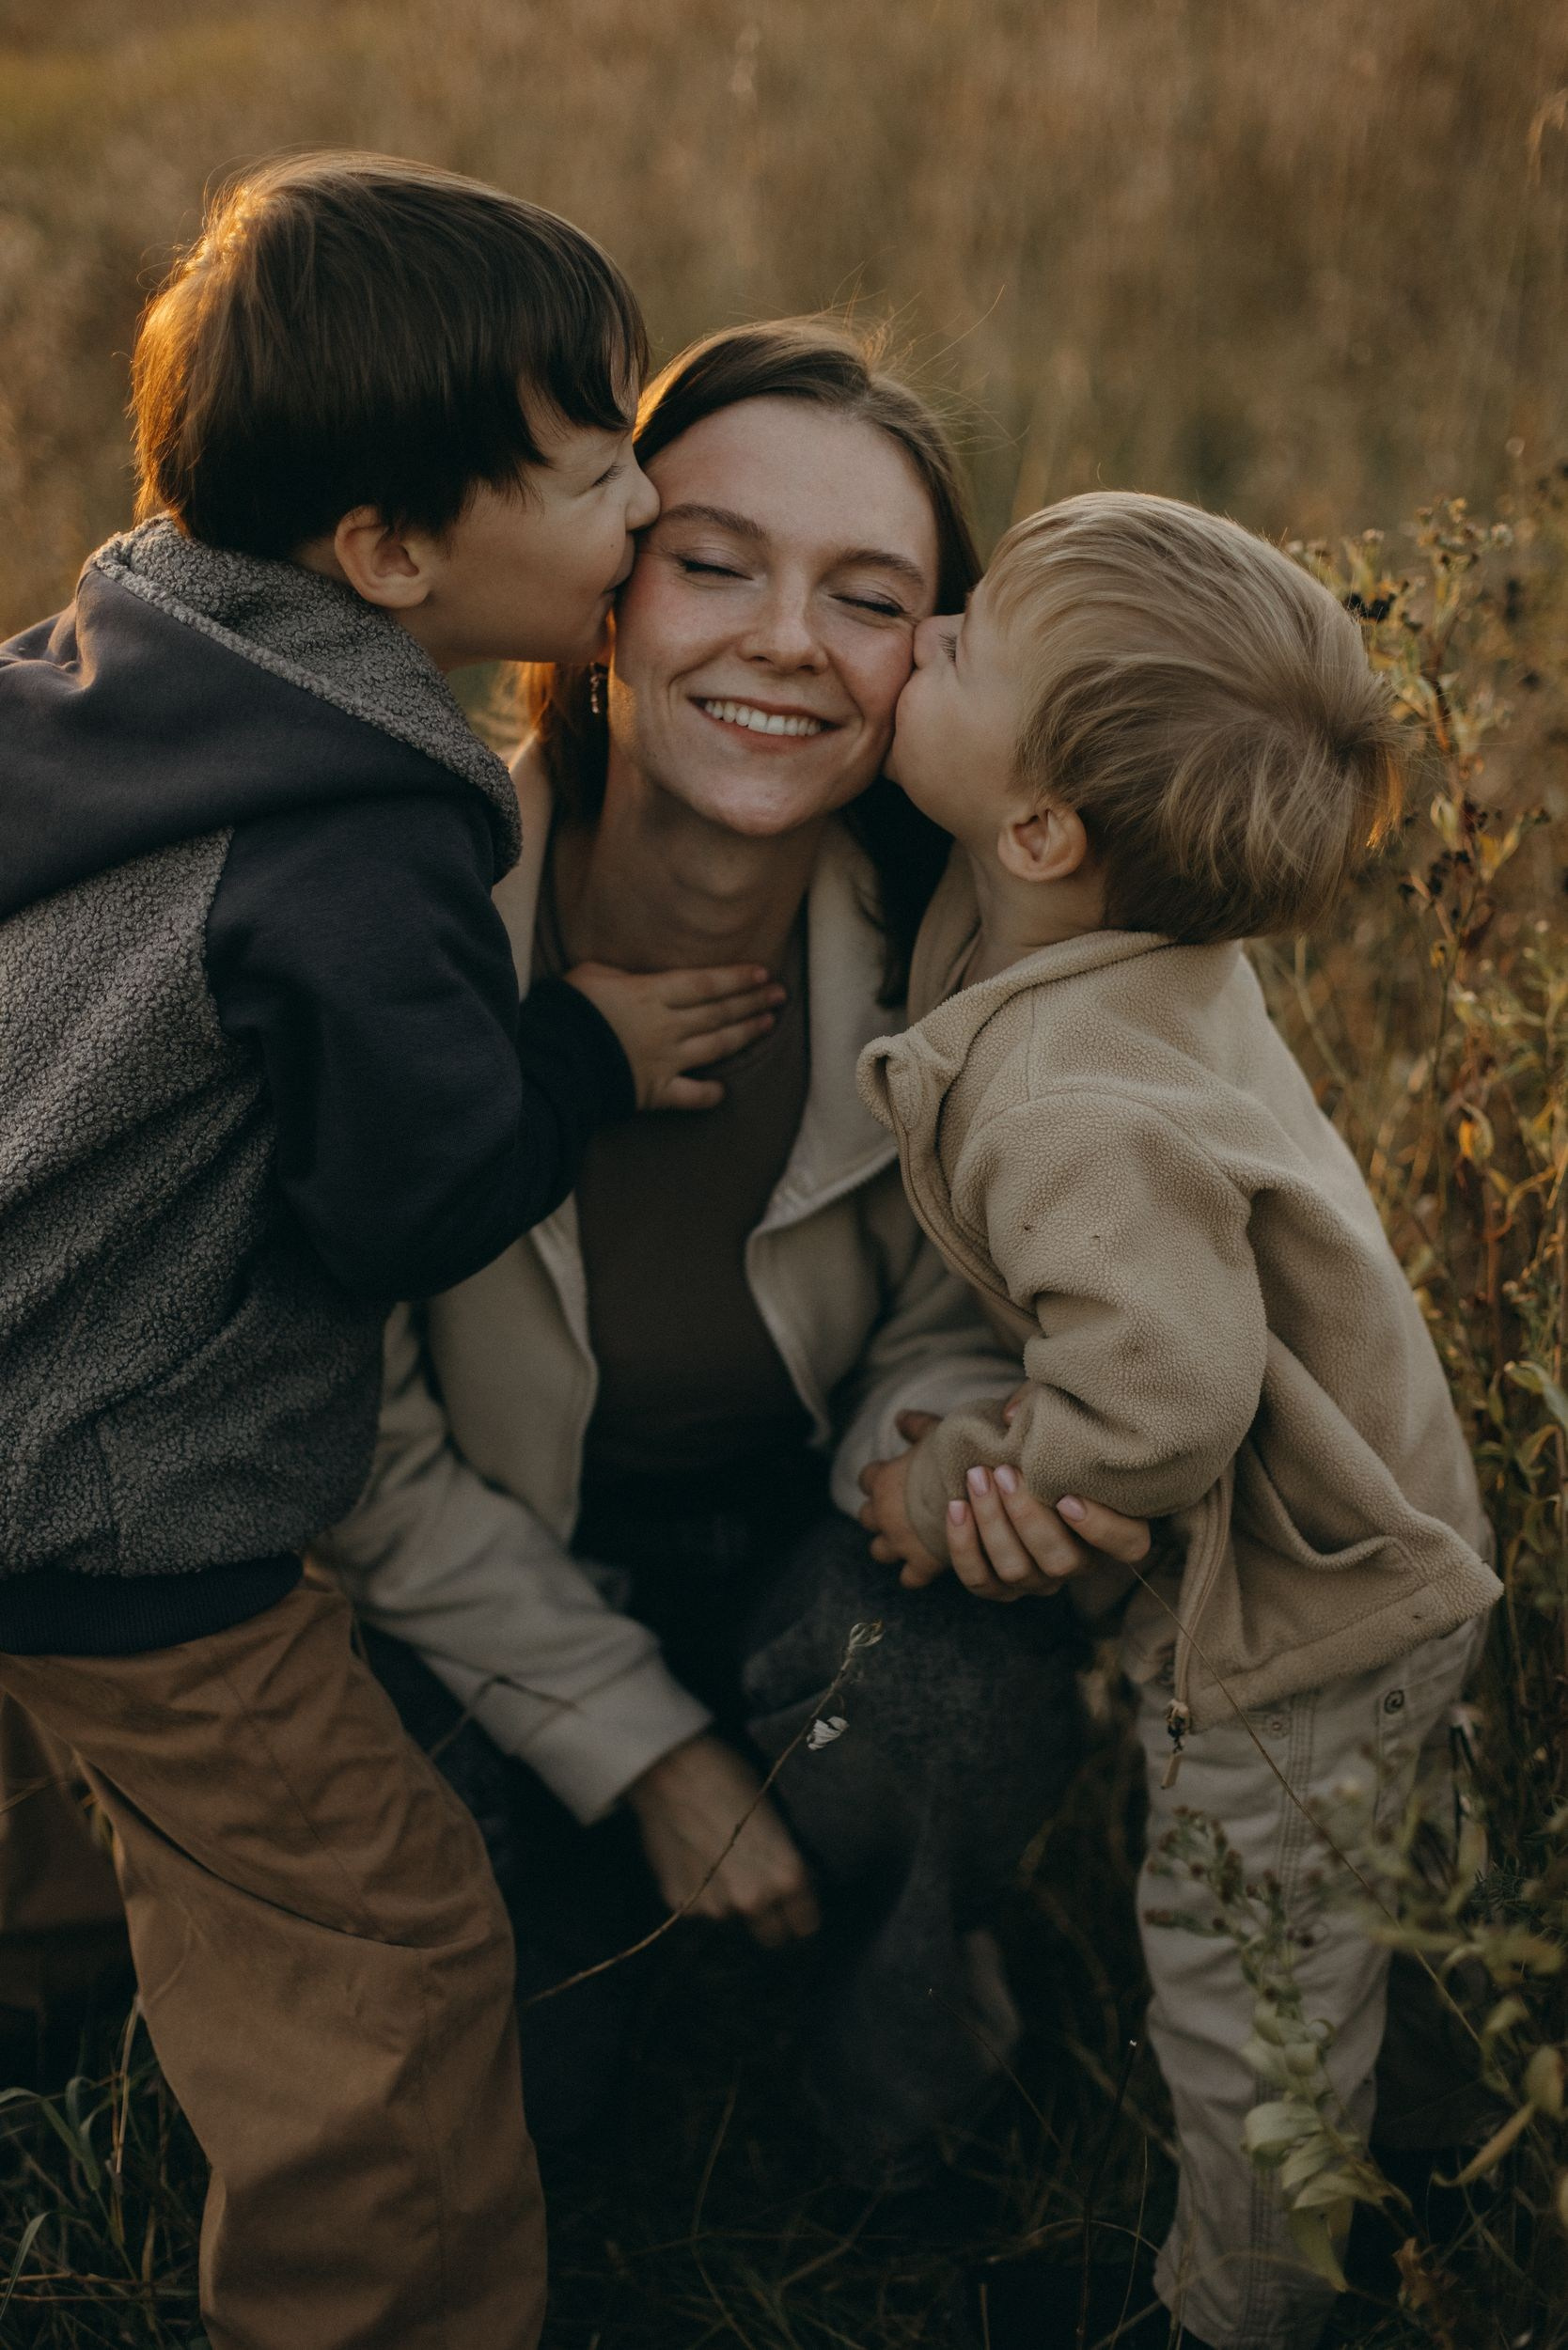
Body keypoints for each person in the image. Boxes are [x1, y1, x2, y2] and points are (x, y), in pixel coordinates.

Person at [0, 152, 783, 2350]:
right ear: (391, 554)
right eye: (599, 461)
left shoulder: (77, 682)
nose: (643, 502)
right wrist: (580, 1055)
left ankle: (59, 2023)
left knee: (56, 1807)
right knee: (386, 1949)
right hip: (125, 1508)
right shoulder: (365, 825)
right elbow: (410, 1199)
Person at [319, 321, 1155, 2180]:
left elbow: (942, 1335)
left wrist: (935, 1458)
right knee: (529, 2123)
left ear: (931, 663)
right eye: (714, 562)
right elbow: (357, 1464)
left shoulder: (963, 965)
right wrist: (648, 1749)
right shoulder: (405, 916)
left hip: (794, 1555)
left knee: (953, 1683)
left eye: (868, 598)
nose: (786, 639)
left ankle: (904, 2093)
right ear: (604, 591)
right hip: (474, 1586)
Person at [856, 490, 1501, 2348]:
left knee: (1246, 1988)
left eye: (964, 637)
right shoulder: (1106, 935)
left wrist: (968, 1474)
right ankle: (1442, 2200)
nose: (931, 630)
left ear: (1045, 827)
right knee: (1367, 1932)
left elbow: (1158, 1398)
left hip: (1301, 1617)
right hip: (1374, 1533)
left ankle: (1243, 2312)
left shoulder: (1074, 1094)